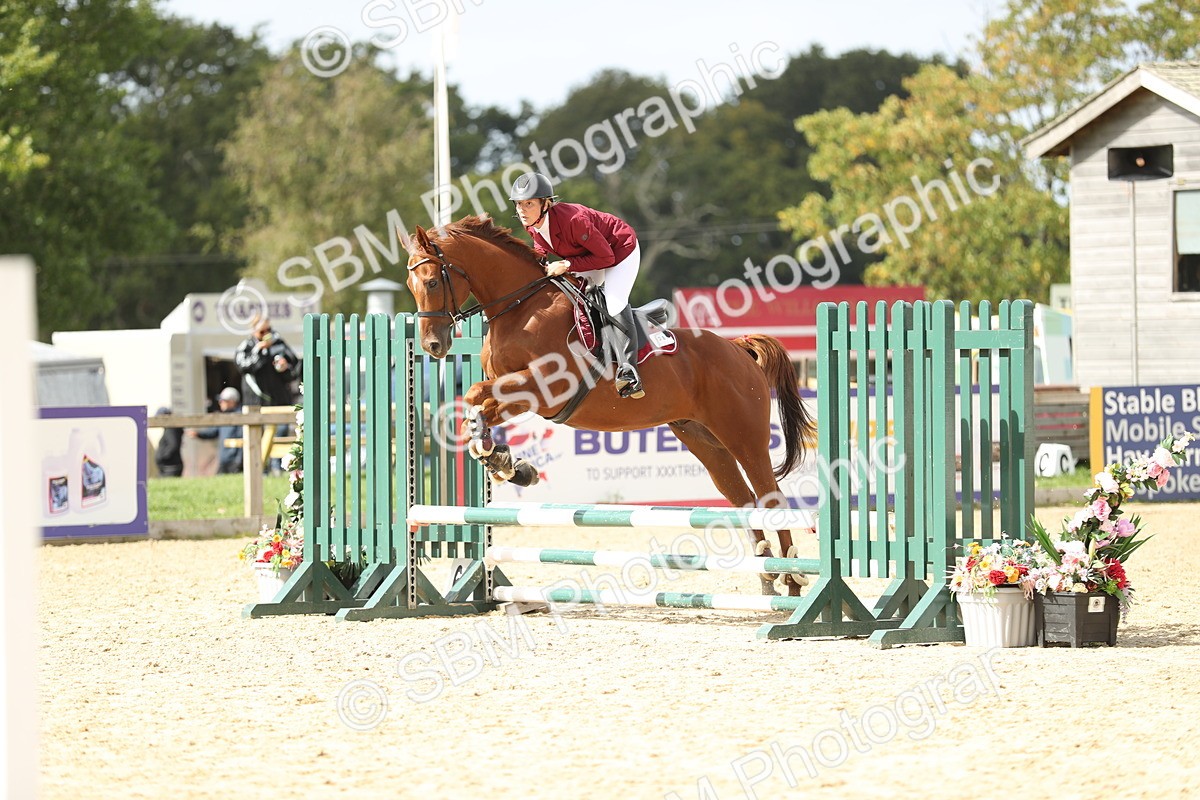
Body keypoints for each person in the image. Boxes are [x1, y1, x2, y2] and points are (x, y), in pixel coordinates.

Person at [509, 171, 645, 399]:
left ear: (546, 203)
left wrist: (567, 264)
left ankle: (629, 371)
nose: (522, 209)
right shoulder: (532, 222)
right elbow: (540, 247)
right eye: (519, 204)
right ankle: (598, 353)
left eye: (529, 203)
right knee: (571, 296)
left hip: (620, 251)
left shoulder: (574, 220)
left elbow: (607, 259)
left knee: (613, 302)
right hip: (589, 256)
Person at [235, 316, 300, 408]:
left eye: (268, 330)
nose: (266, 334)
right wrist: (259, 351)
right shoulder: (246, 347)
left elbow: (295, 368)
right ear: (254, 331)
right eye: (262, 332)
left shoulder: (279, 344)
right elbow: (243, 367)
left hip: (279, 402)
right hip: (255, 402)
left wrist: (285, 368)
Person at [190, 387, 244, 474]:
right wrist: (198, 434)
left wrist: (239, 460)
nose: (220, 403)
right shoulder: (223, 416)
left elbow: (243, 440)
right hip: (224, 459)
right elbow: (213, 432)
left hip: (235, 461)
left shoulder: (241, 417)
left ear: (232, 401)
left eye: (223, 401)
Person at [153, 407, 184, 478]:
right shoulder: (170, 429)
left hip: (170, 467)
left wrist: (162, 457)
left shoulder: (171, 429)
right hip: (169, 466)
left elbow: (173, 445)